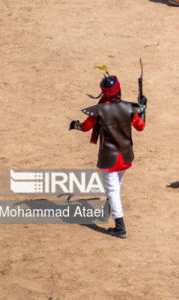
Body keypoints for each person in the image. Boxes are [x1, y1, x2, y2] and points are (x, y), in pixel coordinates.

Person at [70, 69, 146, 238]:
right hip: (126, 156)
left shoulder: (100, 111)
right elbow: (141, 126)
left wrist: (74, 125)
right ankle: (110, 208)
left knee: (112, 191)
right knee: (115, 188)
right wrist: (142, 109)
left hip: (109, 158)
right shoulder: (128, 108)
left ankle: (120, 226)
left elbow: (85, 127)